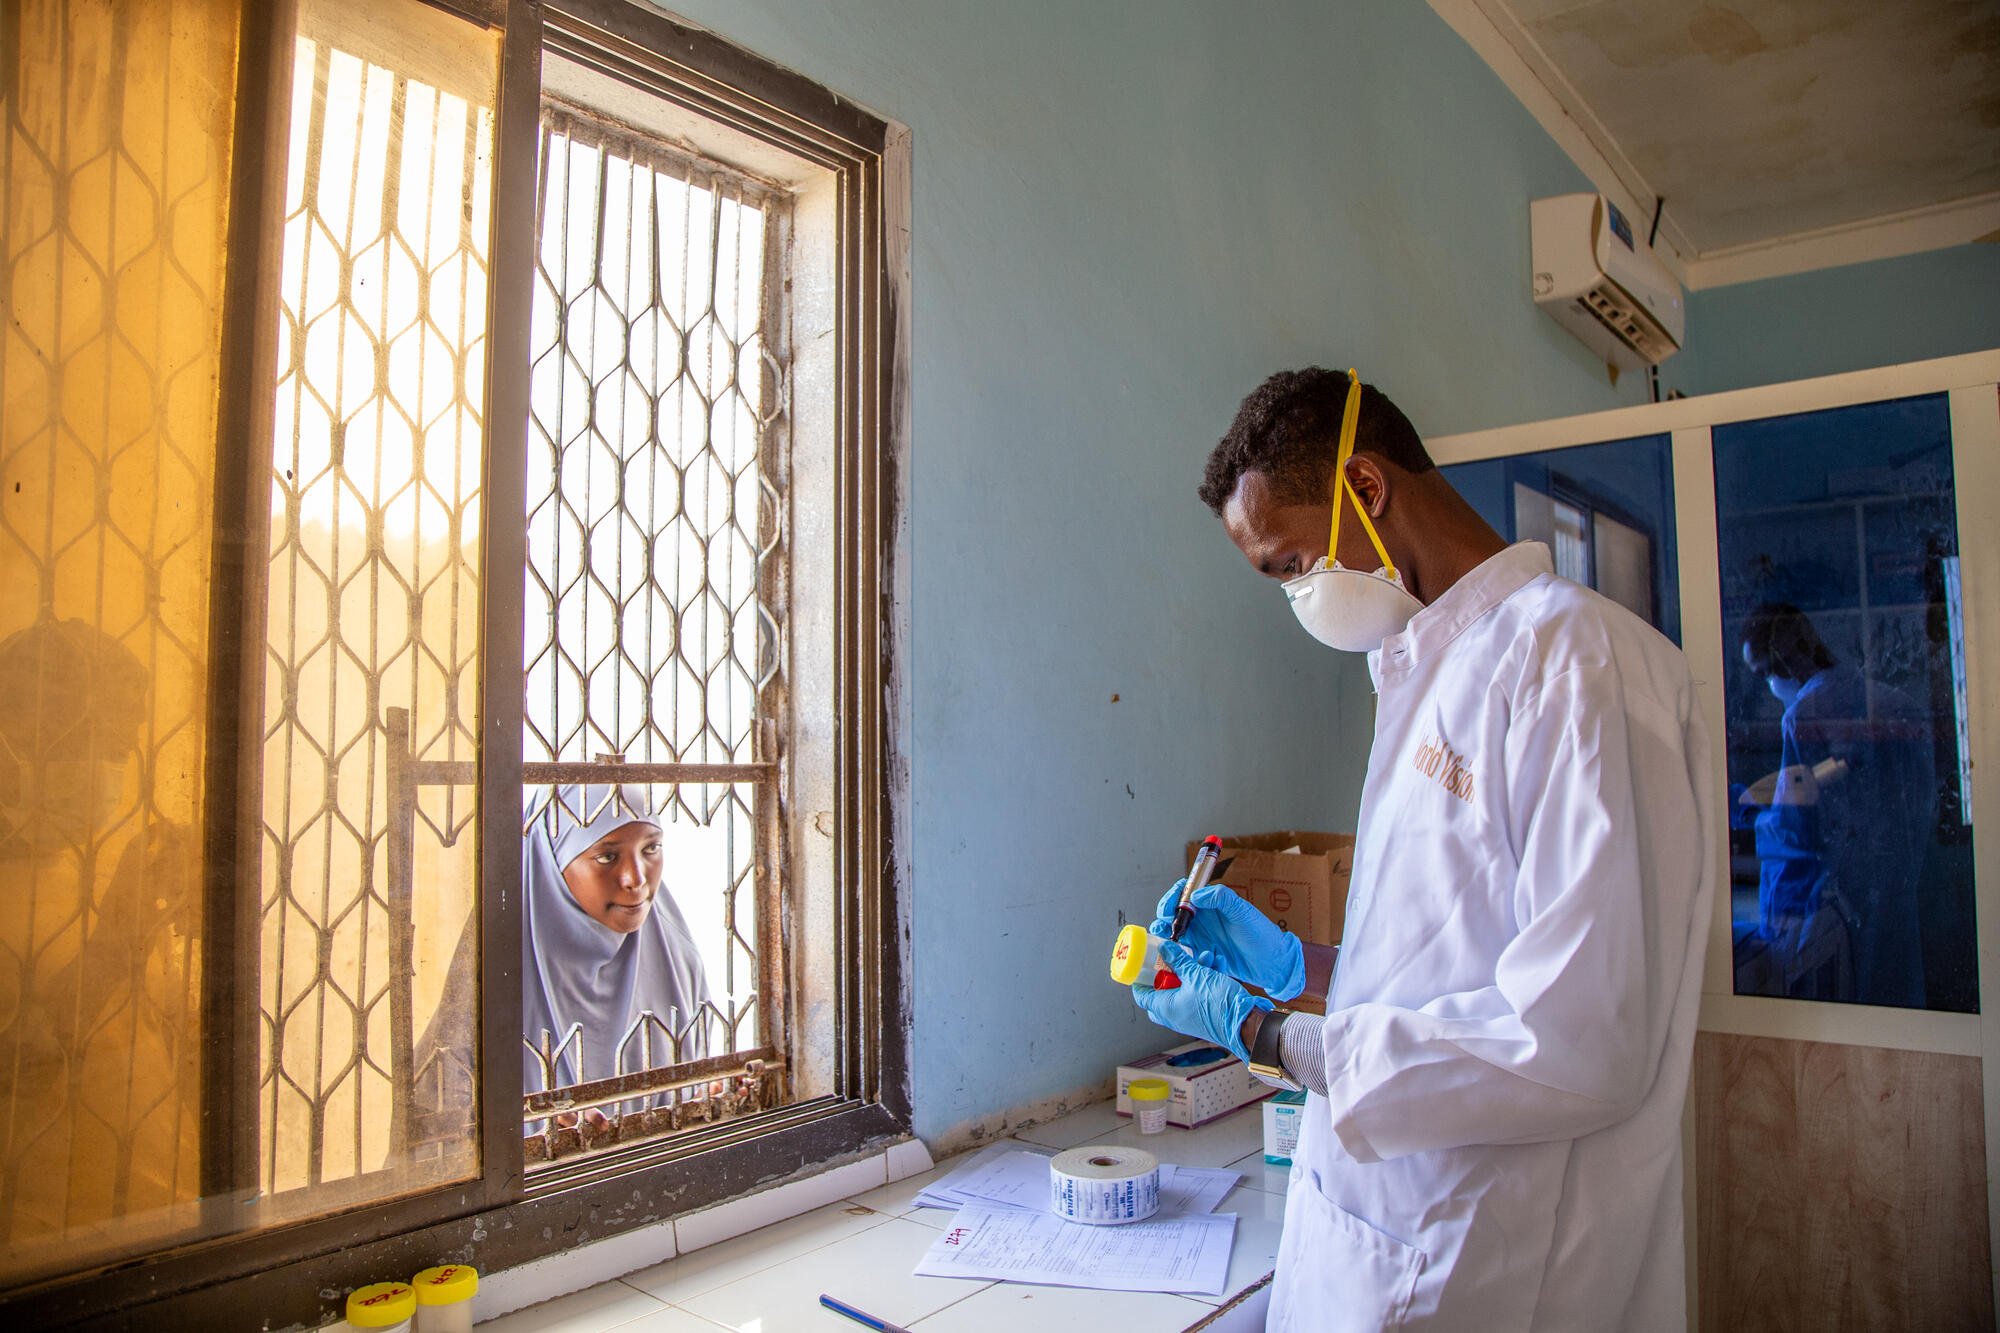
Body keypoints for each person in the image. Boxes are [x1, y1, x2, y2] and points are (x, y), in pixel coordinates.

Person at [1133, 368, 1713, 1331]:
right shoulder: (1419, 667)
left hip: (1496, 1260)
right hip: (1378, 1236)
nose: (1296, 596)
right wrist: (1302, 969)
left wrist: (1271, 1038)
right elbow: (1447, 958)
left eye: (1288, 565)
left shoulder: (1575, 663)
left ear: (1365, 487)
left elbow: (1578, 1041)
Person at [1734, 602, 1932, 1007]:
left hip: (1842, 896)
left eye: (1765, 672)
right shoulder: (1887, 699)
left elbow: (1799, 832)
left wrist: (1754, 815)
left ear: (1783, 658)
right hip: (1897, 883)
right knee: (1898, 1001)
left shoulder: (1803, 715)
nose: (1769, 685)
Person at [522, 784, 714, 1091]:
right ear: (552, 861)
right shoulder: (493, 973)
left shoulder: (677, 956)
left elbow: (695, 1087)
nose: (635, 879)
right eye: (607, 856)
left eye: (651, 849)